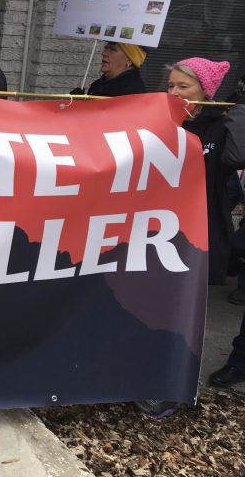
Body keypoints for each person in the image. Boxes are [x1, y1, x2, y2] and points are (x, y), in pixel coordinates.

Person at [138, 57, 245, 416]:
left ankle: (170, 391)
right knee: (153, 309)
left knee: (183, 316)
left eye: (183, 87)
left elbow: (238, 155)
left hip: (199, 236)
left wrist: (239, 113)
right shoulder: (163, 120)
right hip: (158, 235)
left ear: (207, 93)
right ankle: (145, 377)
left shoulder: (222, 127)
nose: (174, 93)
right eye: (170, 86)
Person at [73, 42, 147, 96]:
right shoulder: (97, 85)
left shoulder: (133, 94)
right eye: (106, 48)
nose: (104, 53)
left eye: (112, 49)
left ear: (129, 60)